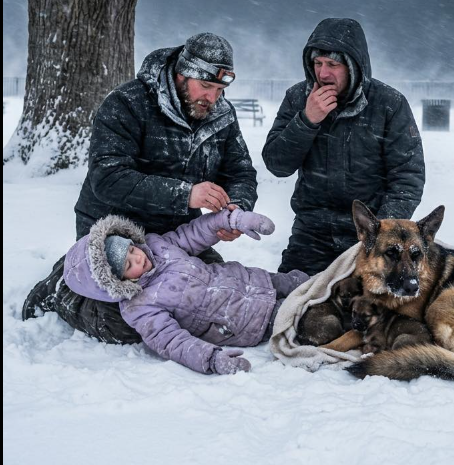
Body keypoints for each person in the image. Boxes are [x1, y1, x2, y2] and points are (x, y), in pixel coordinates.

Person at [22, 33, 258, 345]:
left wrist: (237, 209)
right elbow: (108, 178)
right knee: (128, 323)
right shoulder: (127, 103)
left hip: (175, 237)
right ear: (181, 74)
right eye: (205, 86)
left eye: (219, 90)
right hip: (115, 237)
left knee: (216, 295)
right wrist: (185, 194)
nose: (212, 97)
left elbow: (240, 171)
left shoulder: (221, 116)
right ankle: (64, 287)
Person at [262, 18, 425, 276]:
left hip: (368, 234)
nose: (323, 74)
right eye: (318, 63)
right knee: (292, 296)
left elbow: (407, 178)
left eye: (333, 64)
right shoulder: (298, 98)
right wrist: (307, 120)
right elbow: (277, 164)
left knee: (367, 301)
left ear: (353, 66)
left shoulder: (389, 104)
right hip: (311, 233)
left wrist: (379, 232)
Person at [63, 208, 308, 375]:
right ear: (116, 281)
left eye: (131, 250)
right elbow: (172, 342)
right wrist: (211, 359)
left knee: (307, 284)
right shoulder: (139, 307)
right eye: (128, 265)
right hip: (244, 321)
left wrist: (232, 220)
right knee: (303, 313)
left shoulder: (157, 245)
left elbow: (194, 233)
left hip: (252, 279)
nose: (138, 257)